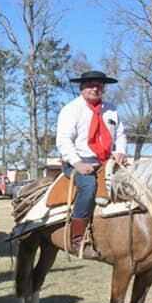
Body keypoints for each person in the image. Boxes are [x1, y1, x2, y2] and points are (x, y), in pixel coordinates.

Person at [55, 70, 127, 259]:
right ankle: (77, 238)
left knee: (130, 183)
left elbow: (120, 134)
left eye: (99, 85)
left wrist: (121, 151)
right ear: (82, 88)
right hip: (78, 160)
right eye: (90, 85)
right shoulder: (71, 110)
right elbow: (63, 140)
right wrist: (77, 163)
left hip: (106, 160)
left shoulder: (111, 109)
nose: (95, 88)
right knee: (88, 185)